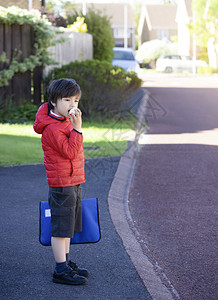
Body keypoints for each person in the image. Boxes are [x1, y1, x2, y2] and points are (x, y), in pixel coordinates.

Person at [33, 78, 89, 285]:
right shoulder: (52, 128)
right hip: (61, 183)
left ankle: (64, 262)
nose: (72, 105)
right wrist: (78, 129)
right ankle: (60, 270)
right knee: (61, 227)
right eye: (67, 100)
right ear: (54, 102)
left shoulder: (64, 121)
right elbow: (70, 151)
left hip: (73, 180)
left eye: (75, 100)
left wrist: (74, 127)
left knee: (69, 226)